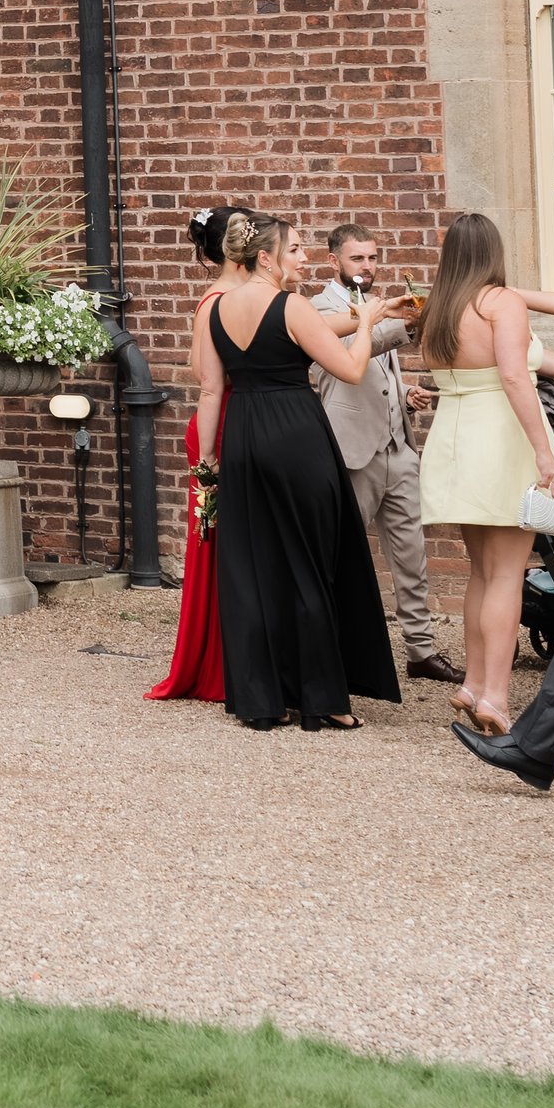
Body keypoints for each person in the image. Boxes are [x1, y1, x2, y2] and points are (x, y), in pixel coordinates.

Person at [196, 211, 401, 734]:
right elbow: (352, 369)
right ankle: (323, 699)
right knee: (311, 563)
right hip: (295, 434)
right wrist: (369, 321)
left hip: (242, 435)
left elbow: (210, 391)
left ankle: (264, 699)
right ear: (265, 257)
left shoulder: (213, 308)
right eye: (295, 250)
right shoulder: (290, 305)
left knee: (256, 567)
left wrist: (207, 462)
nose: (303, 258)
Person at [416, 212, 554, 737]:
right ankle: (496, 699)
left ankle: (474, 684)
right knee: (507, 574)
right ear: (494, 252)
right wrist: (546, 452)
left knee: (482, 571)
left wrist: (501, 288)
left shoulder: (440, 306)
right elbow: (512, 376)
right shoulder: (500, 304)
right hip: (498, 440)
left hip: (454, 442)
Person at [311, 220, 462, 688]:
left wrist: (405, 391)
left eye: (373, 258)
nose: (368, 267)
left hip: (398, 448)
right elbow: (343, 360)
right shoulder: (315, 309)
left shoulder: (380, 303)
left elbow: (378, 375)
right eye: (358, 258)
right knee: (344, 557)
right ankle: (334, 652)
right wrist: (398, 324)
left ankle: (420, 651)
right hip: (352, 449)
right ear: (333, 260)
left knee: (412, 556)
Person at [145, 197, 246, 705]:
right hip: (216, 433)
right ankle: (210, 664)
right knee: (214, 544)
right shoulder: (216, 301)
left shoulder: (246, 295)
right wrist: (206, 460)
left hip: (235, 425)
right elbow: (206, 382)